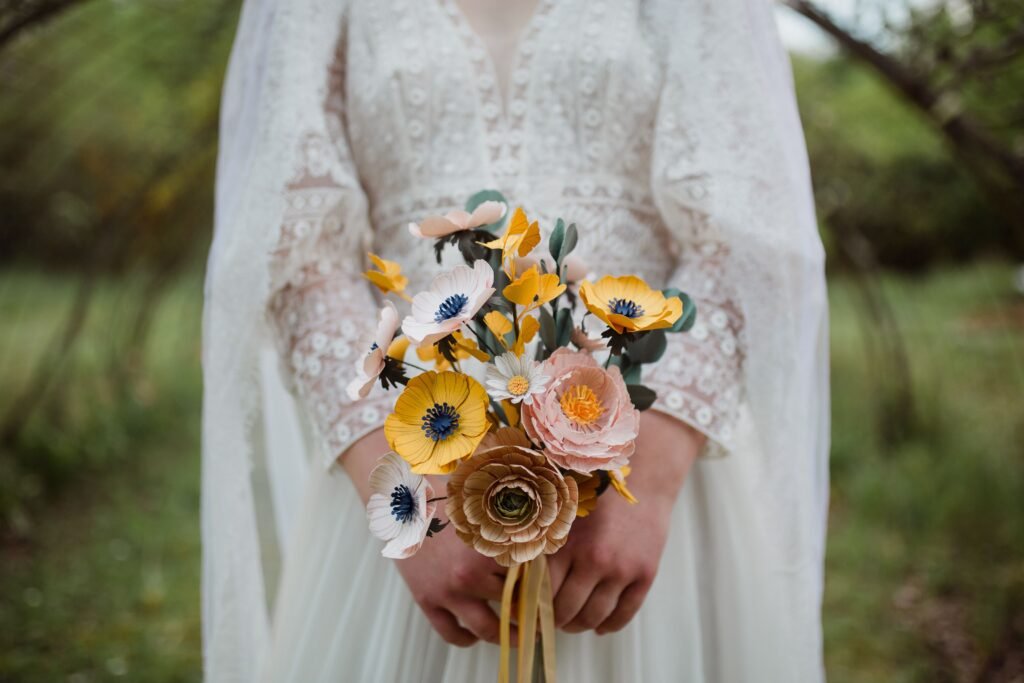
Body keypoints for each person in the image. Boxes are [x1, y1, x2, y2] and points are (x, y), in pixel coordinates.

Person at [201, 0, 831, 680]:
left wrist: (648, 477)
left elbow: (750, 226)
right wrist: (403, 499)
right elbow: (291, 247)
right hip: (409, 479)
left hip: (648, 490)